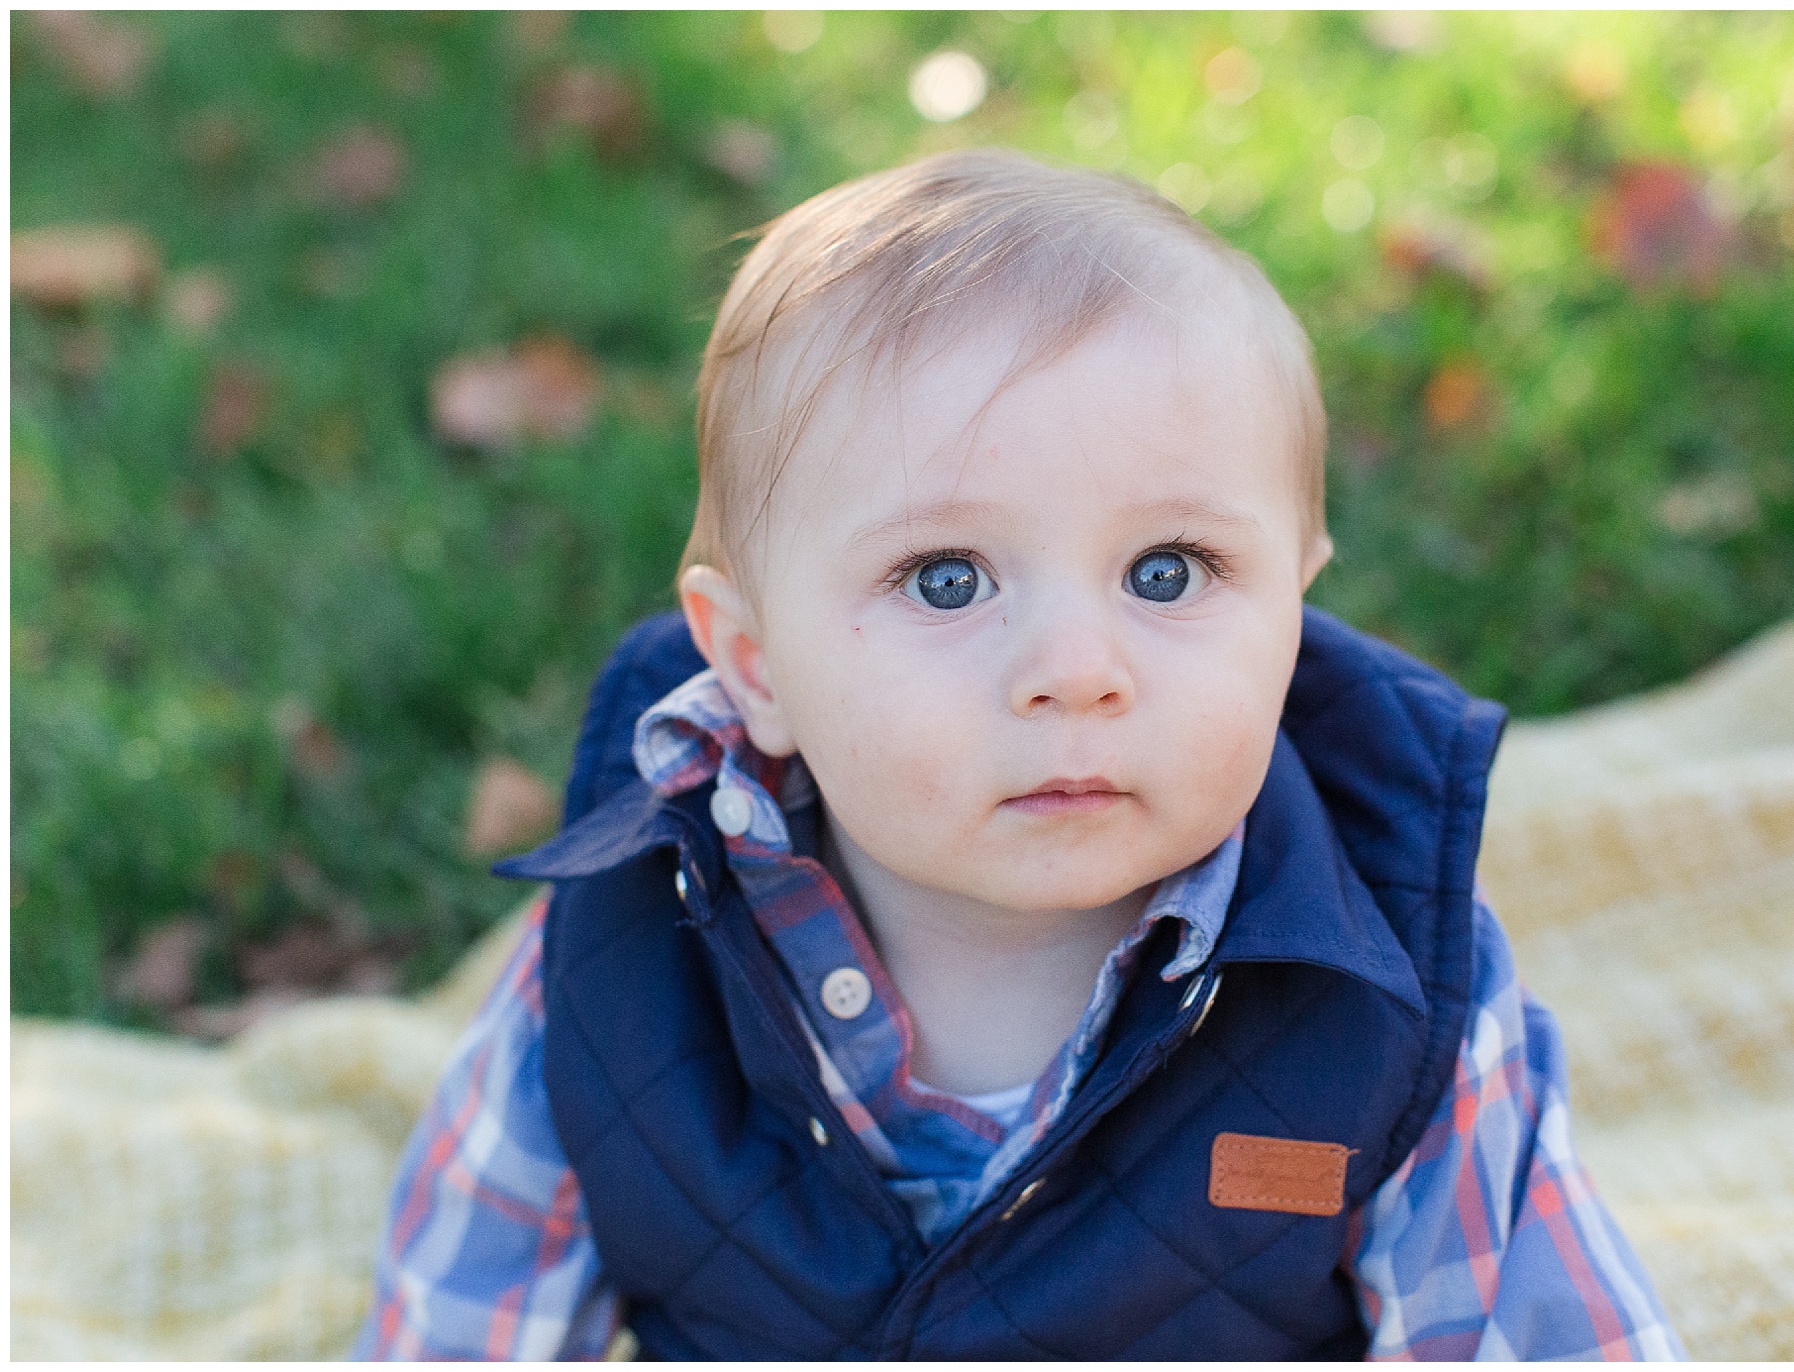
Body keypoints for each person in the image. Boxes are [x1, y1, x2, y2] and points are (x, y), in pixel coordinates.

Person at [356, 148, 1681, 1360]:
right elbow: (462, 1315)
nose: (1076, 670)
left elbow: (1544, 1331)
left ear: (1297, 607)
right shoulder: (631, 947)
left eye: (1169, 571)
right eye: (945, 580)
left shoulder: (1388, 991)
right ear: (755, 665)